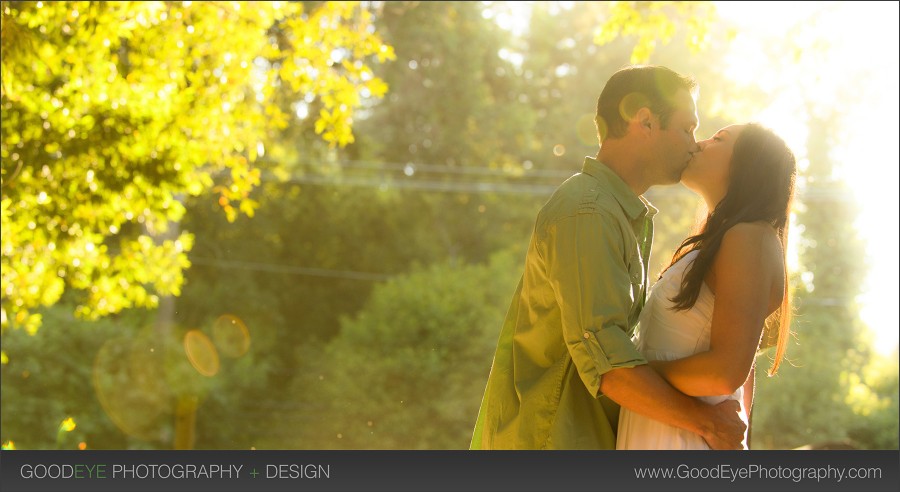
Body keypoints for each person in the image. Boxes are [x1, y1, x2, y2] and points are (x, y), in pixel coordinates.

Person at [469, 65, 746, 450]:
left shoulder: (619, 213)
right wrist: (706, 423)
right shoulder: (589, 212)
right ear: (645, 121)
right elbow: (609, 367)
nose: (693, 143)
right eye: (687, 128)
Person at [616, 123, 796, 449]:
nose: (699, 143)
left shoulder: (749, 237)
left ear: (747, 165)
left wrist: (631, 373)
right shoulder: (727, 240)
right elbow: (744, 365)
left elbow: (725, 374)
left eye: (718, 139)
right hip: (666, 431)